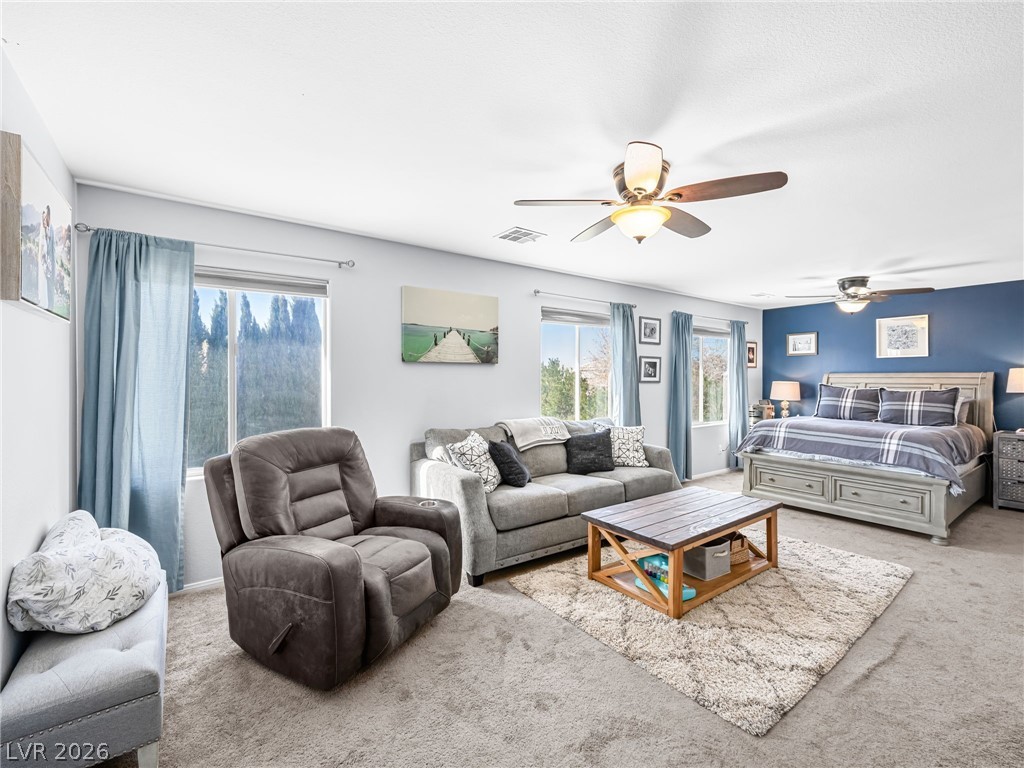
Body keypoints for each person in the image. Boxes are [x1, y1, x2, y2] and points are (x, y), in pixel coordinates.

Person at [39, 206, 56, 309]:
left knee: (50, 286)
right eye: (43, 218)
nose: (45, 220)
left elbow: (51, 249)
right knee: (45, 284)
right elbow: (43, 250)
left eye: (46, 217)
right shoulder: (44, 231)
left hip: (50, 263)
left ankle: (50, 306)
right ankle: (45, 304)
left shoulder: (51, 229)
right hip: (44, 263)